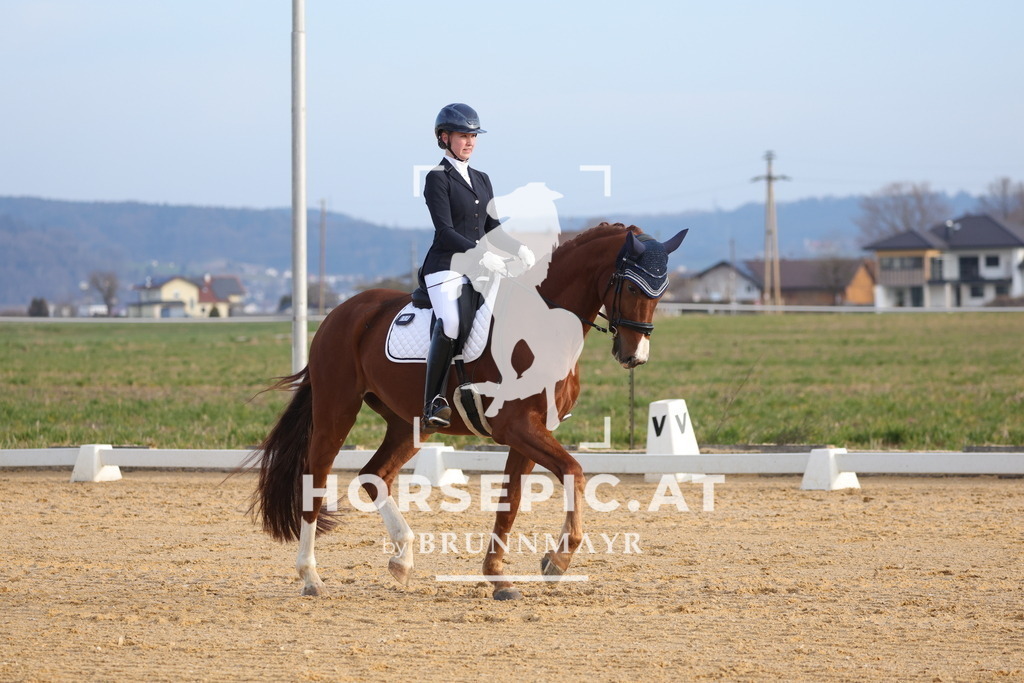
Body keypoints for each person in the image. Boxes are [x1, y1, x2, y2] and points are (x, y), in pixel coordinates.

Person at [419, 103, 534, 429]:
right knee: (453, 322)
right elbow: (445, 232)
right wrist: (481, 254)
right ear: (444, 137)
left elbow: (493, 230)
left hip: (481, 267)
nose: (469, 141)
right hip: (446, 266)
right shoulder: (436, 178)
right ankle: (433, 401)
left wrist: (519, 248)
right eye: (462, 135)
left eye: (473, 136)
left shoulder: (482, 179)